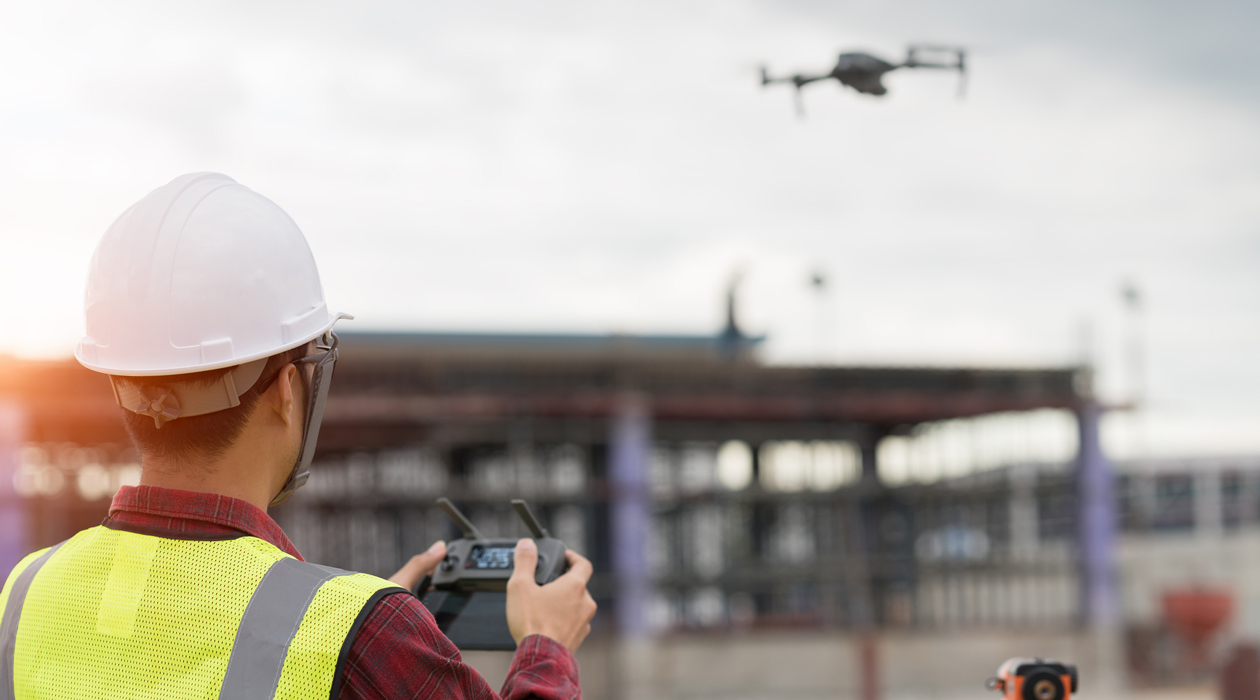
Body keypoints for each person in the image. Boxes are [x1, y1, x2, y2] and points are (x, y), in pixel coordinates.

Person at [0, 173, 597, 699]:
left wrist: (347, 626)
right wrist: (546, 645)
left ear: (122, 382)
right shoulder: (362, 636)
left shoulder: (22, 596)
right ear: (288, 387)